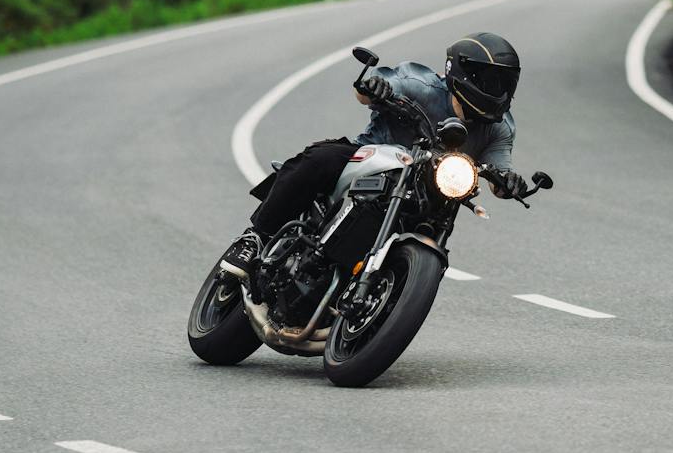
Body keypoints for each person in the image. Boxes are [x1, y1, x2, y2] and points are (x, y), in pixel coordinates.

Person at [221, 32, 527, 276]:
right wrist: (374, 87)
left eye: (504, 82)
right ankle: (255, 237)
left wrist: (509, 182)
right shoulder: (417, 83)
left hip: (427, 194)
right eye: (490, 81)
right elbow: (364, 93)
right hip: (369, 160)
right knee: (320, 159)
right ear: (464, 73)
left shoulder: (500, 127)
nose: (498, 90)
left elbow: (498, 176)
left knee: (437, 227)